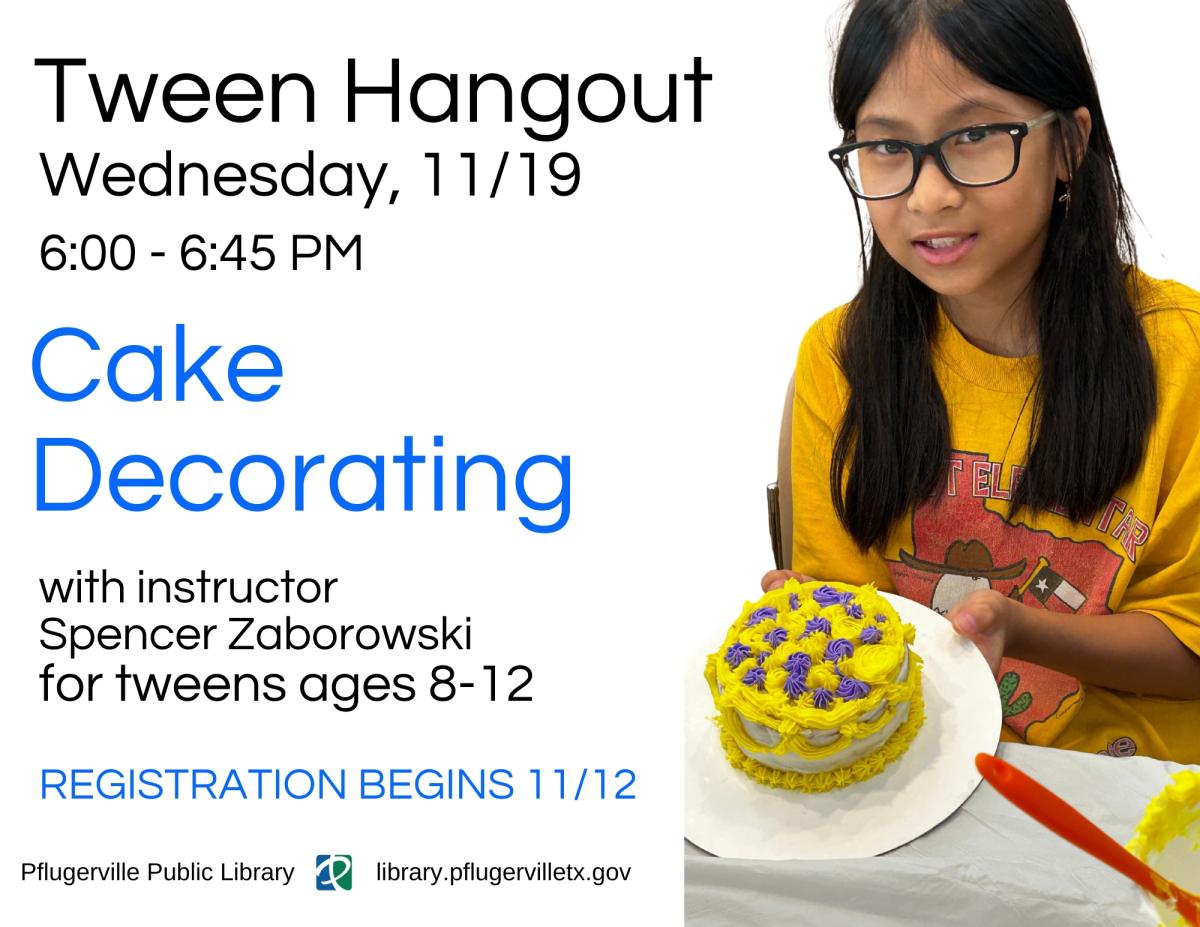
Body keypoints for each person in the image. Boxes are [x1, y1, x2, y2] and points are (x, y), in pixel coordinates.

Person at [762, 0, 1200, 763]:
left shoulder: (1182, 355)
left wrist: (1021, 627)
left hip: (1138, 804)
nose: (928, 196)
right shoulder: (839, 358)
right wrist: (811, 635)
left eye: (973, 136)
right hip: (917, 783)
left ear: (1069, 142)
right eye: (887, 147)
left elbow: (1192, 651)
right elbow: (847, 627)